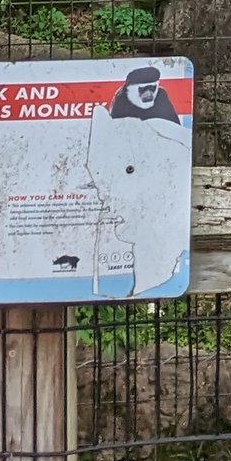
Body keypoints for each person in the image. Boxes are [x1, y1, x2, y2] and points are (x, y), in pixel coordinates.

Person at [84, 64, 190, 295]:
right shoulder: (121, 102)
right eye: (143, 90)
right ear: (130, 89)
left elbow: (175, 137)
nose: (149, 94)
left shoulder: (162, 98)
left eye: (152, 88)